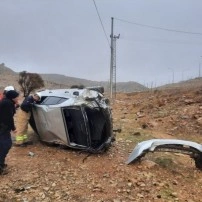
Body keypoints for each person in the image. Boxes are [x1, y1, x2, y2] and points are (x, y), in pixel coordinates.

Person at [0, 90, 19, 175]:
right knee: (5, 145)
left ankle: (1, 164)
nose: (18, 98)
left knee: (3, 145)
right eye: (17, 97)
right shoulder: (7, 104)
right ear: (12, 97)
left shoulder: (6, 102)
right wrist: (13, 128)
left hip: (3, 127)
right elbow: (8, 118)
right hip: (3, 128)